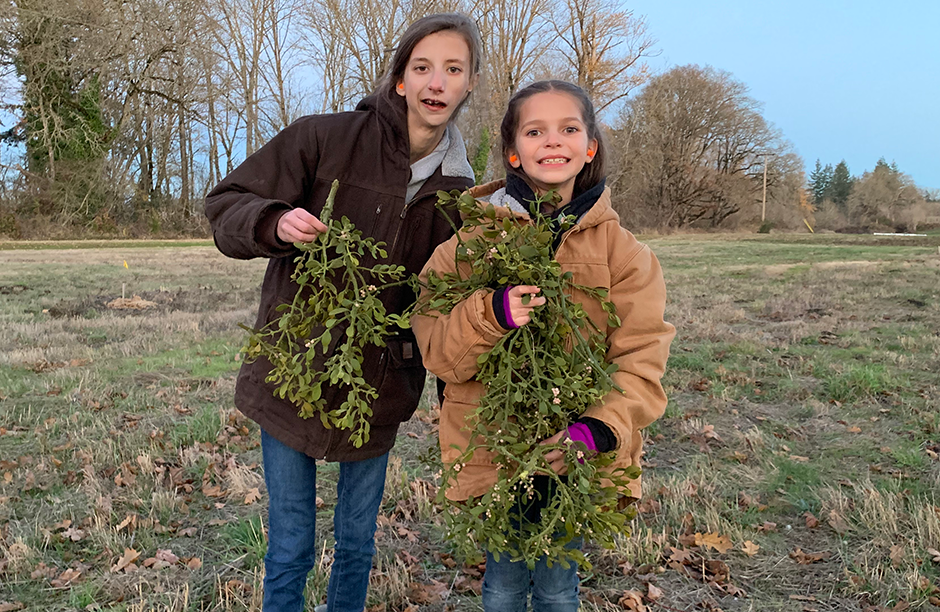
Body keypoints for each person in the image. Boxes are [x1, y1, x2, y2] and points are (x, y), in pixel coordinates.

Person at [204, 14, 482, 612]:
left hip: (378, 390)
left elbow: (448, 304)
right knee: (291, 544)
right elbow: (227, 203)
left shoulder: (465, 194)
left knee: (356, 542)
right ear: (401, 79)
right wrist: (275, 221)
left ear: (469, 84)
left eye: (453, 69)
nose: (437, 81)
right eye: (423, 67)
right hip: (292, 374)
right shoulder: (326, 138)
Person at [412, 80, 675, 611]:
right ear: (513, 150)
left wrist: (598, 427)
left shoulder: (626, 255)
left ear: (590, 146)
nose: (552, 141)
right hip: (494, 448)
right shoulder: (468, 247)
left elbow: (640, 356)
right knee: (503, 585)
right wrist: (492, 314)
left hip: (577, 453)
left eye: (569, 129)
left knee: (558, 587)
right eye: (535, 131)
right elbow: (437, 347)